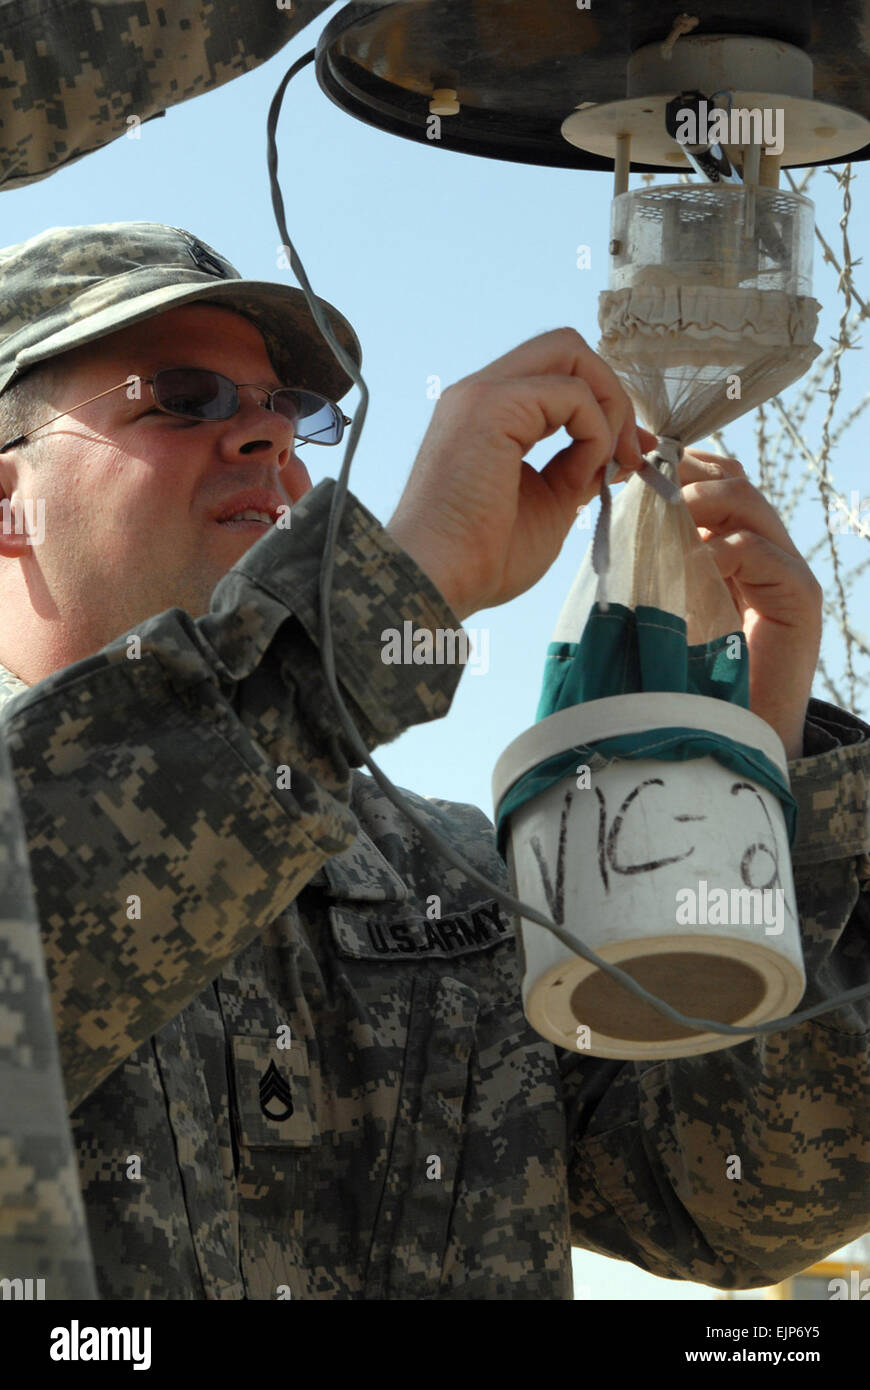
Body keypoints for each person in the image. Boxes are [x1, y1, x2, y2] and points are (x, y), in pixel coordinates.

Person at [0, 220, 867, 1300]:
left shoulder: (451, 874)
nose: (266, 439)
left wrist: (747, 786)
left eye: (290, 409)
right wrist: (381, 597)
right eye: (186, 397)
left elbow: (736, 1191)